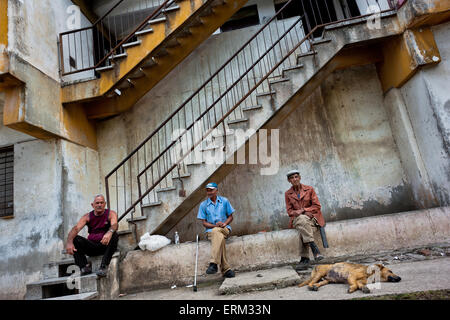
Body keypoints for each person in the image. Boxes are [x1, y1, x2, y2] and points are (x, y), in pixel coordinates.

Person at [65, 194, 119, 277]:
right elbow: (76, 229)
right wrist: (69, 242)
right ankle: (84, 267)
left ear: (105, 204)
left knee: (114, 235)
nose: (99, 205)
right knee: (75, 239)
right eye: (97, 203)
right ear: (92, 205)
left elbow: (114, 225)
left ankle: (103, 266)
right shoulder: (87, 217)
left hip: (105, 246)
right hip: (92, 247)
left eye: (101, 203)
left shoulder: (111, 214)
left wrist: (110, 232)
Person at [285, 170, 325, 270]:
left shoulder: (309, 189)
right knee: (302, 219)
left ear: (300, 178)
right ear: (289, 181)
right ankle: (314, 248)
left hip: (311, 220)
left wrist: (303, 210)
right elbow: (289, 211)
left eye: (296, 177)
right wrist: (299, 213)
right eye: (292, 178)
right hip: (297, 219)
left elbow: (317, 206)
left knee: (303, 230)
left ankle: (304, 259)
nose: (295, 179)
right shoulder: (288, 194)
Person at [197, 182, 235, 278]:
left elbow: (230, 217)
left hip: (225, 229)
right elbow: (204, 223)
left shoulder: (224, 201)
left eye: (211, 190)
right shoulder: (203, 205)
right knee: (217, 234)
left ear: (216, 191)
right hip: (210, 231)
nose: (209, 192)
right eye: (207, 190)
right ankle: (226, 269)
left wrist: (224, 224)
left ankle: (213, 263)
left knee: (218, 232)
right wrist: (214, 225)